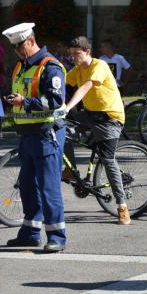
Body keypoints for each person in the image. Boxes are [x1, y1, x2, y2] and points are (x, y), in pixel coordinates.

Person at [3, 22, 68, 253]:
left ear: (31, 41)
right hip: (27, 134)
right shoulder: (22, 66)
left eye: (19, 47)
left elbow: (54, 101)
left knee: (49, 187)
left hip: (46, 134)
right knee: (28, 186)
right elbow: (22, 94)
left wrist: (25, 102)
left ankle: (57, 237)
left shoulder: (49, 66)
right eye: (14, 48)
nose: (17, 52)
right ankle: (30, 233)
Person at [63, 36, 131, 225]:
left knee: (108, 160)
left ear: (88, 52)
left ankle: (122, 206)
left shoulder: (99, 66)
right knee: (61, 128)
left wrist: (67, 107)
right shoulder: (77, 70)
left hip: (110, 118)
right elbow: (60, 81)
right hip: (91, 115)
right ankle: (70, 170)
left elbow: (85, 88)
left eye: (77, 54)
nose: (74, 58)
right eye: (71, 54)